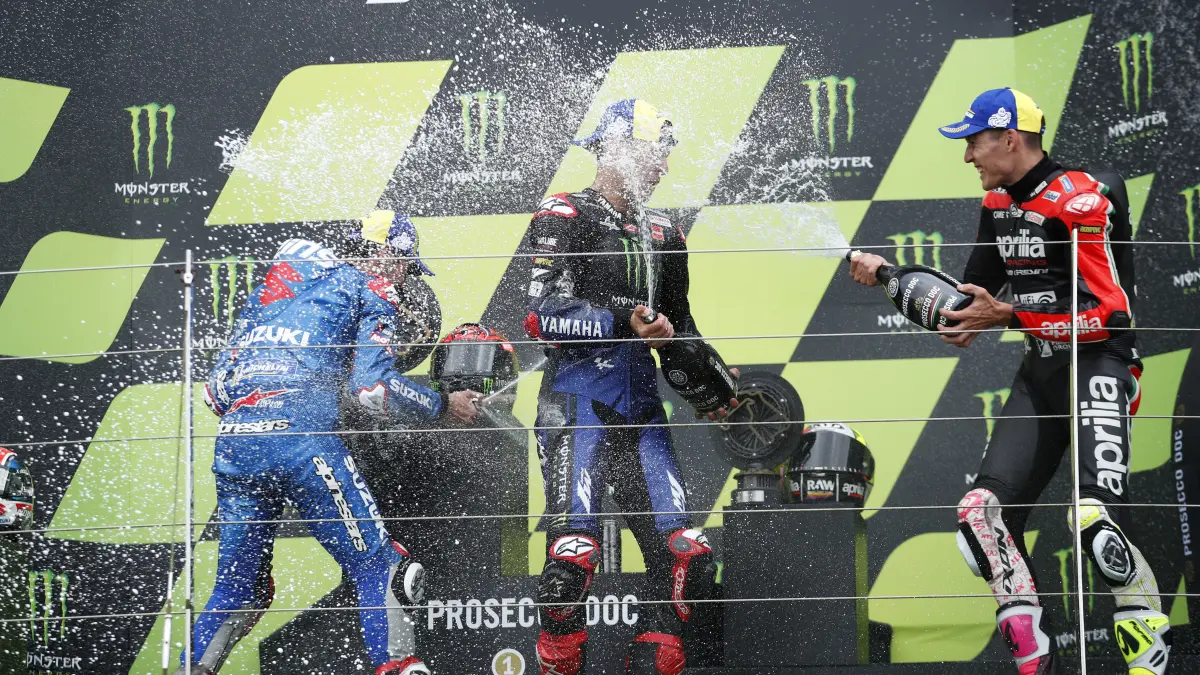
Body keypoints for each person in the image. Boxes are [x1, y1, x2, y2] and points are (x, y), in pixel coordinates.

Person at [849, 88, 1169, 675]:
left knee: (1093, 521)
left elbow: (1113, 316)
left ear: (1009, 139)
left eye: (973, 142)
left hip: (1100, 365)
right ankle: (1034, 659)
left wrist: (1010, 316)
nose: (967, 155)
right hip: (1040, 374)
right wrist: (889, 275)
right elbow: (965, 306)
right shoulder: (997, 202)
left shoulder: (1081, 200)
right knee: (981, 514)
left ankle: (1147, 642)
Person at [181, 212, 481, 675]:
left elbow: (214, 393)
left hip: (237, 447)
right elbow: (374, 389)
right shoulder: (372, 287)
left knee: (240, 591)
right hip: (304, 447)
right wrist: (443, 405)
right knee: (384, 570)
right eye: (405, 264)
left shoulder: (275, 291)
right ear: (385, 254)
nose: (404, 277)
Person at [523, 99, 735, 675]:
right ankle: (558, 663)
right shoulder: (564, 212)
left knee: (689, 560)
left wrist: (715, 387)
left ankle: (657, 656)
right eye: (656, 152)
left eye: (667, 154)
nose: (665, 165)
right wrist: (626, 319)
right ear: (616, 149)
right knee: (570, 565)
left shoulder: (664, 231)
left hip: (642, 412)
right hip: (577, 405)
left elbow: (681, 328)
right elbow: (541, 315)